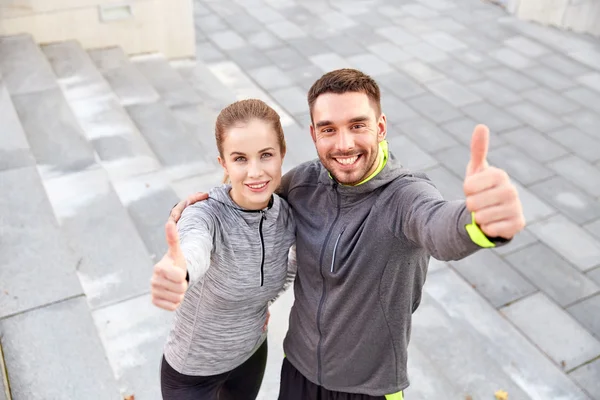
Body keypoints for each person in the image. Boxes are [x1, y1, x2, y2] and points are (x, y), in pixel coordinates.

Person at [167, 69, 525, 400]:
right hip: (299, 372)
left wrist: (479, 223)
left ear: (381, 127)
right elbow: (251, 196)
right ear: (314, 134)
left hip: (369, 387)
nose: (343, 144)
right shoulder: (304, 182)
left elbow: (439, 225)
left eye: (357, 125)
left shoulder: (406, 197)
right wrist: (203, 208)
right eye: (328, 129)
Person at [151, 99, 297, 400]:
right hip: (192, 373)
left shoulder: (287, 216)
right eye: (240, 158)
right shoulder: (205, 214)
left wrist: (260, 301)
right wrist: (181, 270)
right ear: (224, 164)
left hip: (251, 355)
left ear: (282, 153)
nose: (255, 172)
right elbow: (195, 246)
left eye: (266, 155)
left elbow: (286, 267)